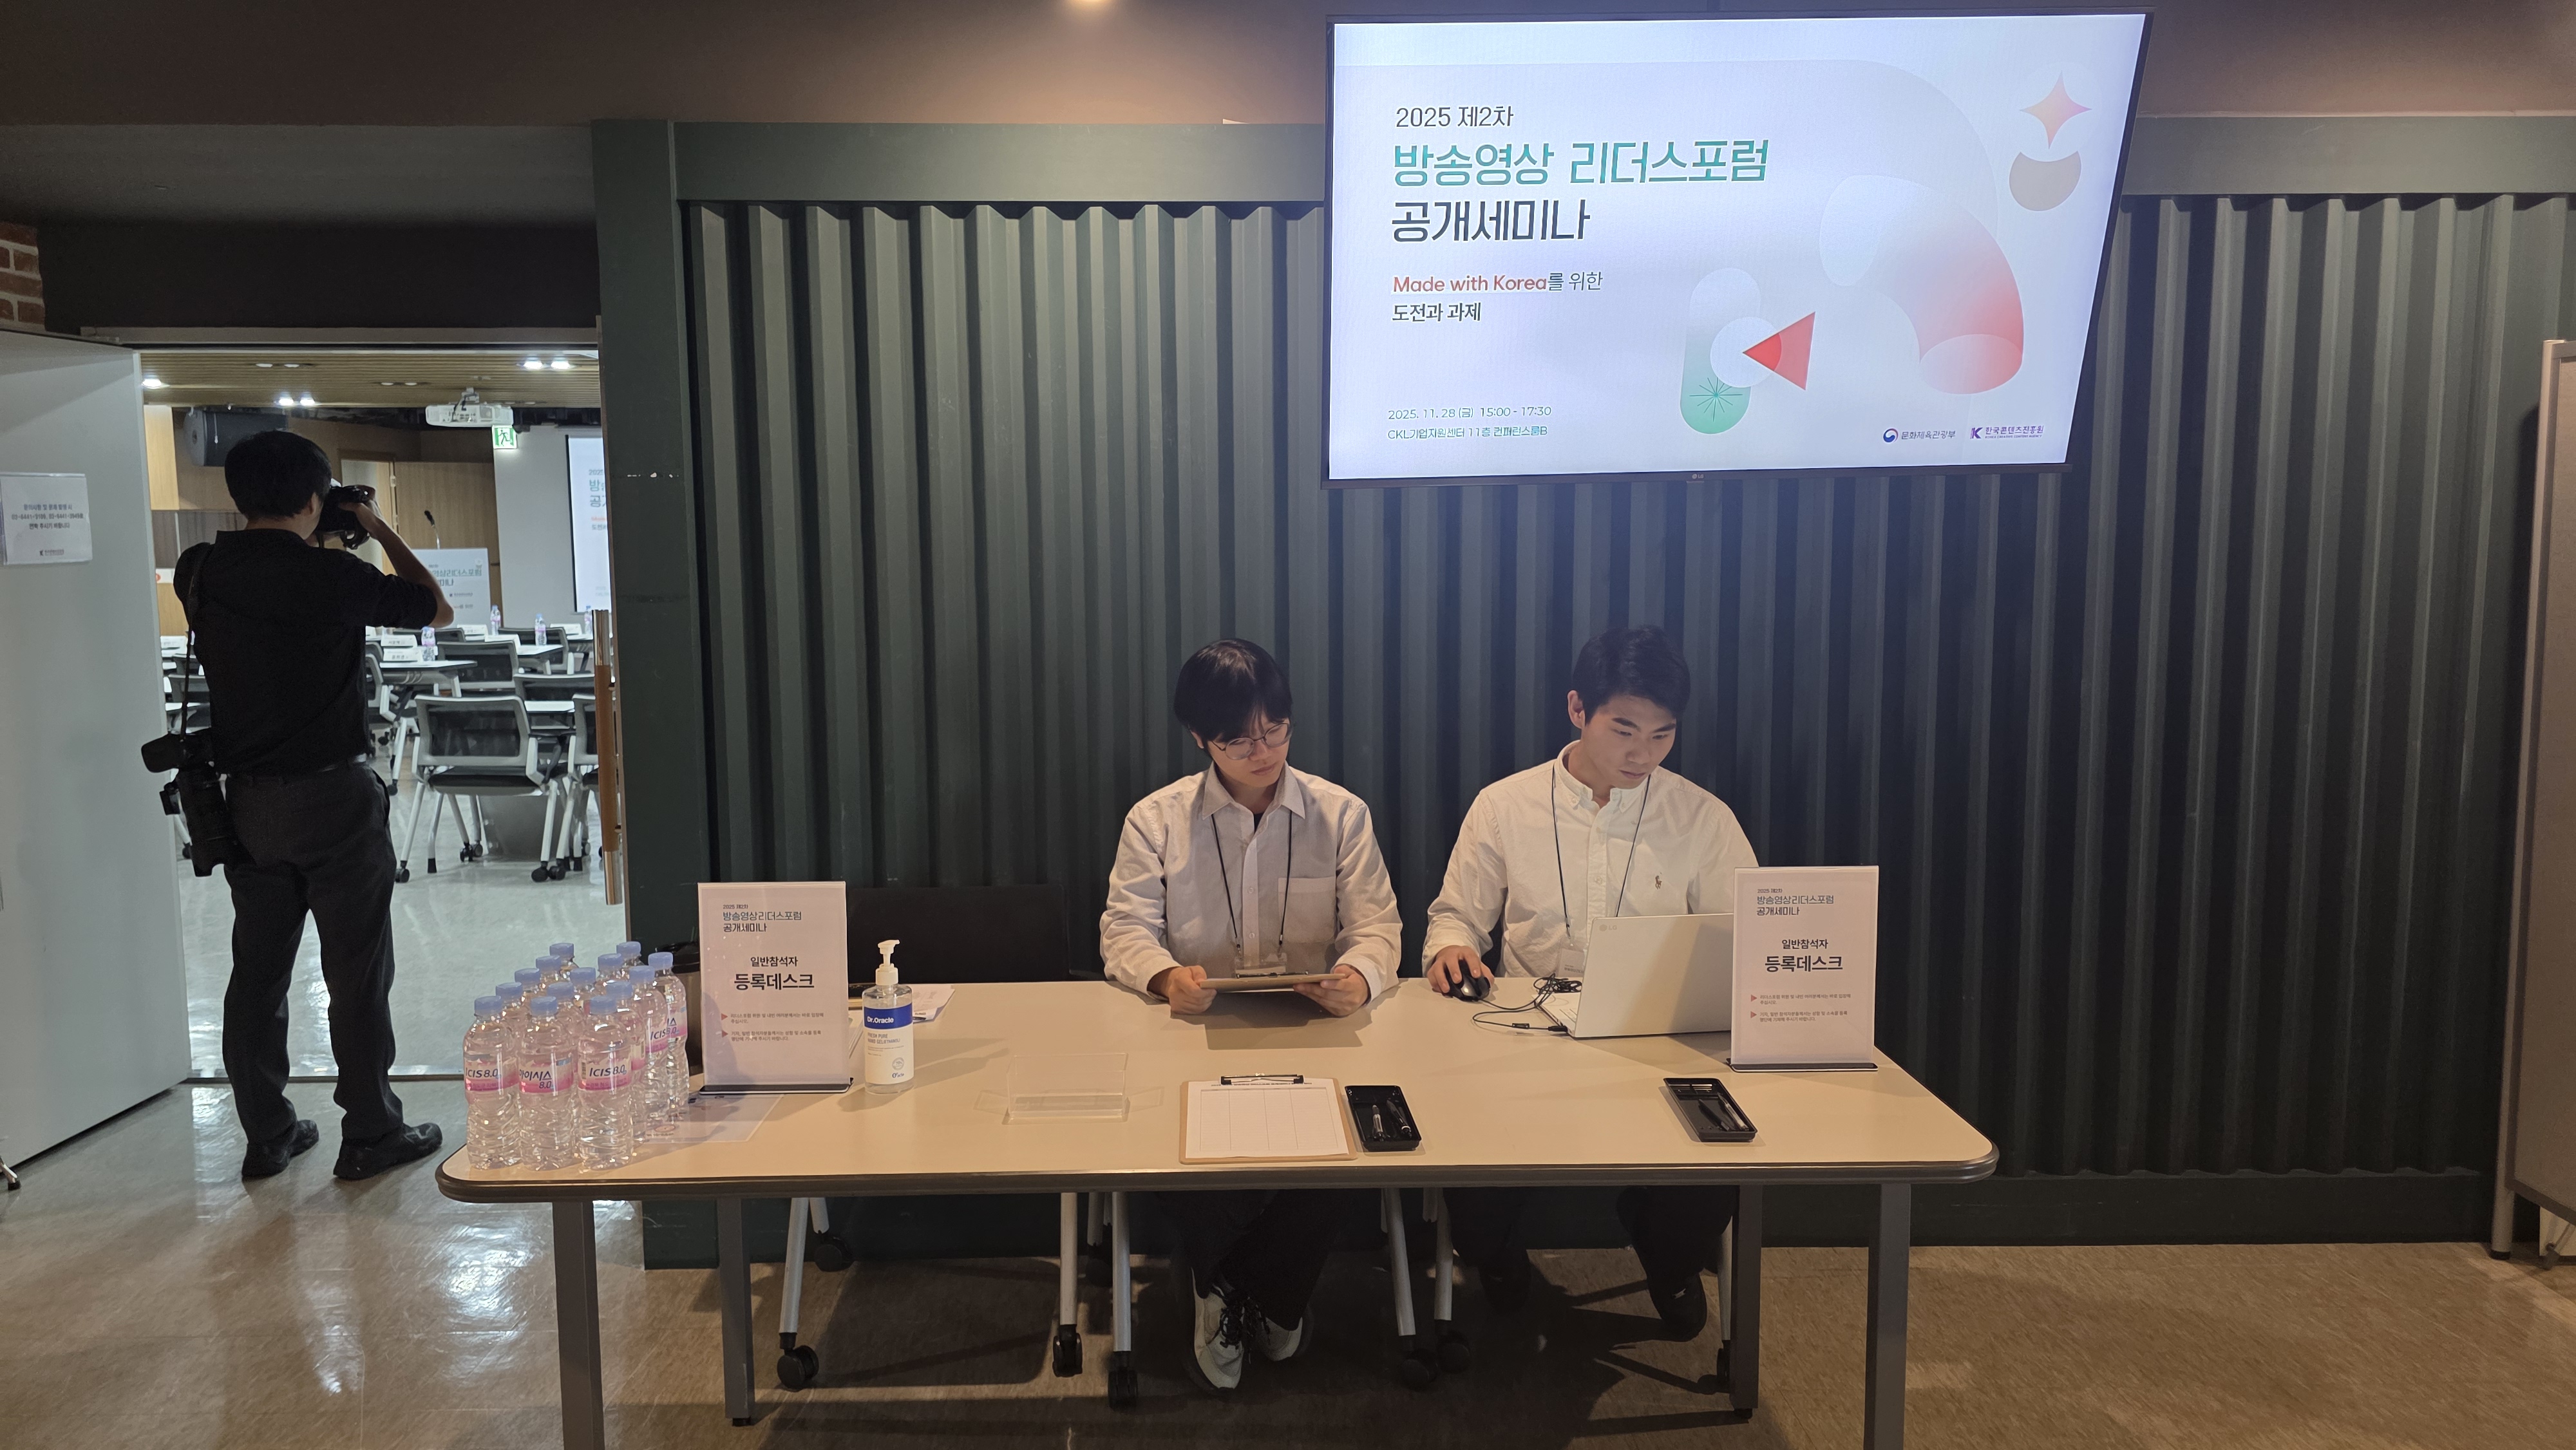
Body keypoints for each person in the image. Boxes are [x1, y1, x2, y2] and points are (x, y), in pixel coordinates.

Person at [1421, 624, 1759, 1337]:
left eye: (1663, 735)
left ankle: (1669, 1260)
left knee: (1720, 1168)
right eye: (1624, 730)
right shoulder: (1504, 806)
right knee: (1465, 1177)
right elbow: (1456, 917)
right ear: (1578, 708)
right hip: (1521, 1041)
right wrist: (1450, 949)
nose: (1643, 754)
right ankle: (1495, 1256)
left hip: (1658, 1042)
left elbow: (1748, 942)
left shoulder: (1702, 819)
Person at [1100, 639, 1401, 1393]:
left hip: (1315, 1030)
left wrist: (1359, 978)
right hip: (1194, 1032)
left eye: (1276, 730)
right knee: (1185, 1153)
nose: (1263, 751)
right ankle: (1235, 1292)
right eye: (1239, 739)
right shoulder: (1156, 819)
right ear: (1200, 737)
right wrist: (1165, 975)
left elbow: (1379, 928)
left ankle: (1255, 1290)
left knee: (1343, 1154)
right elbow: (1123, 929)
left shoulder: (1340, 813)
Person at [174, 429, 453, 1183]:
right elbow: (435, 607)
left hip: (245, 804)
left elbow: (264, 591)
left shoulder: (198, 569)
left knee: (257, 973)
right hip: (332, 797)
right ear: (312, 496)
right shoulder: (332, 574)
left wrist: (319, 528)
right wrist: (376, 527)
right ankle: (370, 1131)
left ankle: (267, 1134)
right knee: (355, 970)